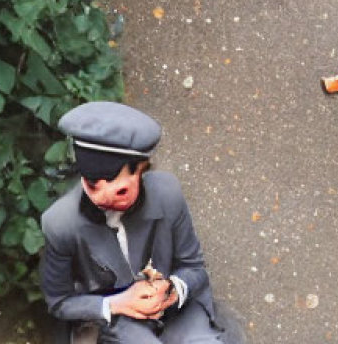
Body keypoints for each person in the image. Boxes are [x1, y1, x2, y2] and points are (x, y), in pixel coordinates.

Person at [40, 101, 239, 344]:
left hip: (175, 311)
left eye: (121, 190)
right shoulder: (61, 223)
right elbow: (60, 303)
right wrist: (116, 304)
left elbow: (195, 268)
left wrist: (173, 289)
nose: (102, 199)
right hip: (111, 321)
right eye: (92, 187)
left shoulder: (167, 195)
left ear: (141, 171)